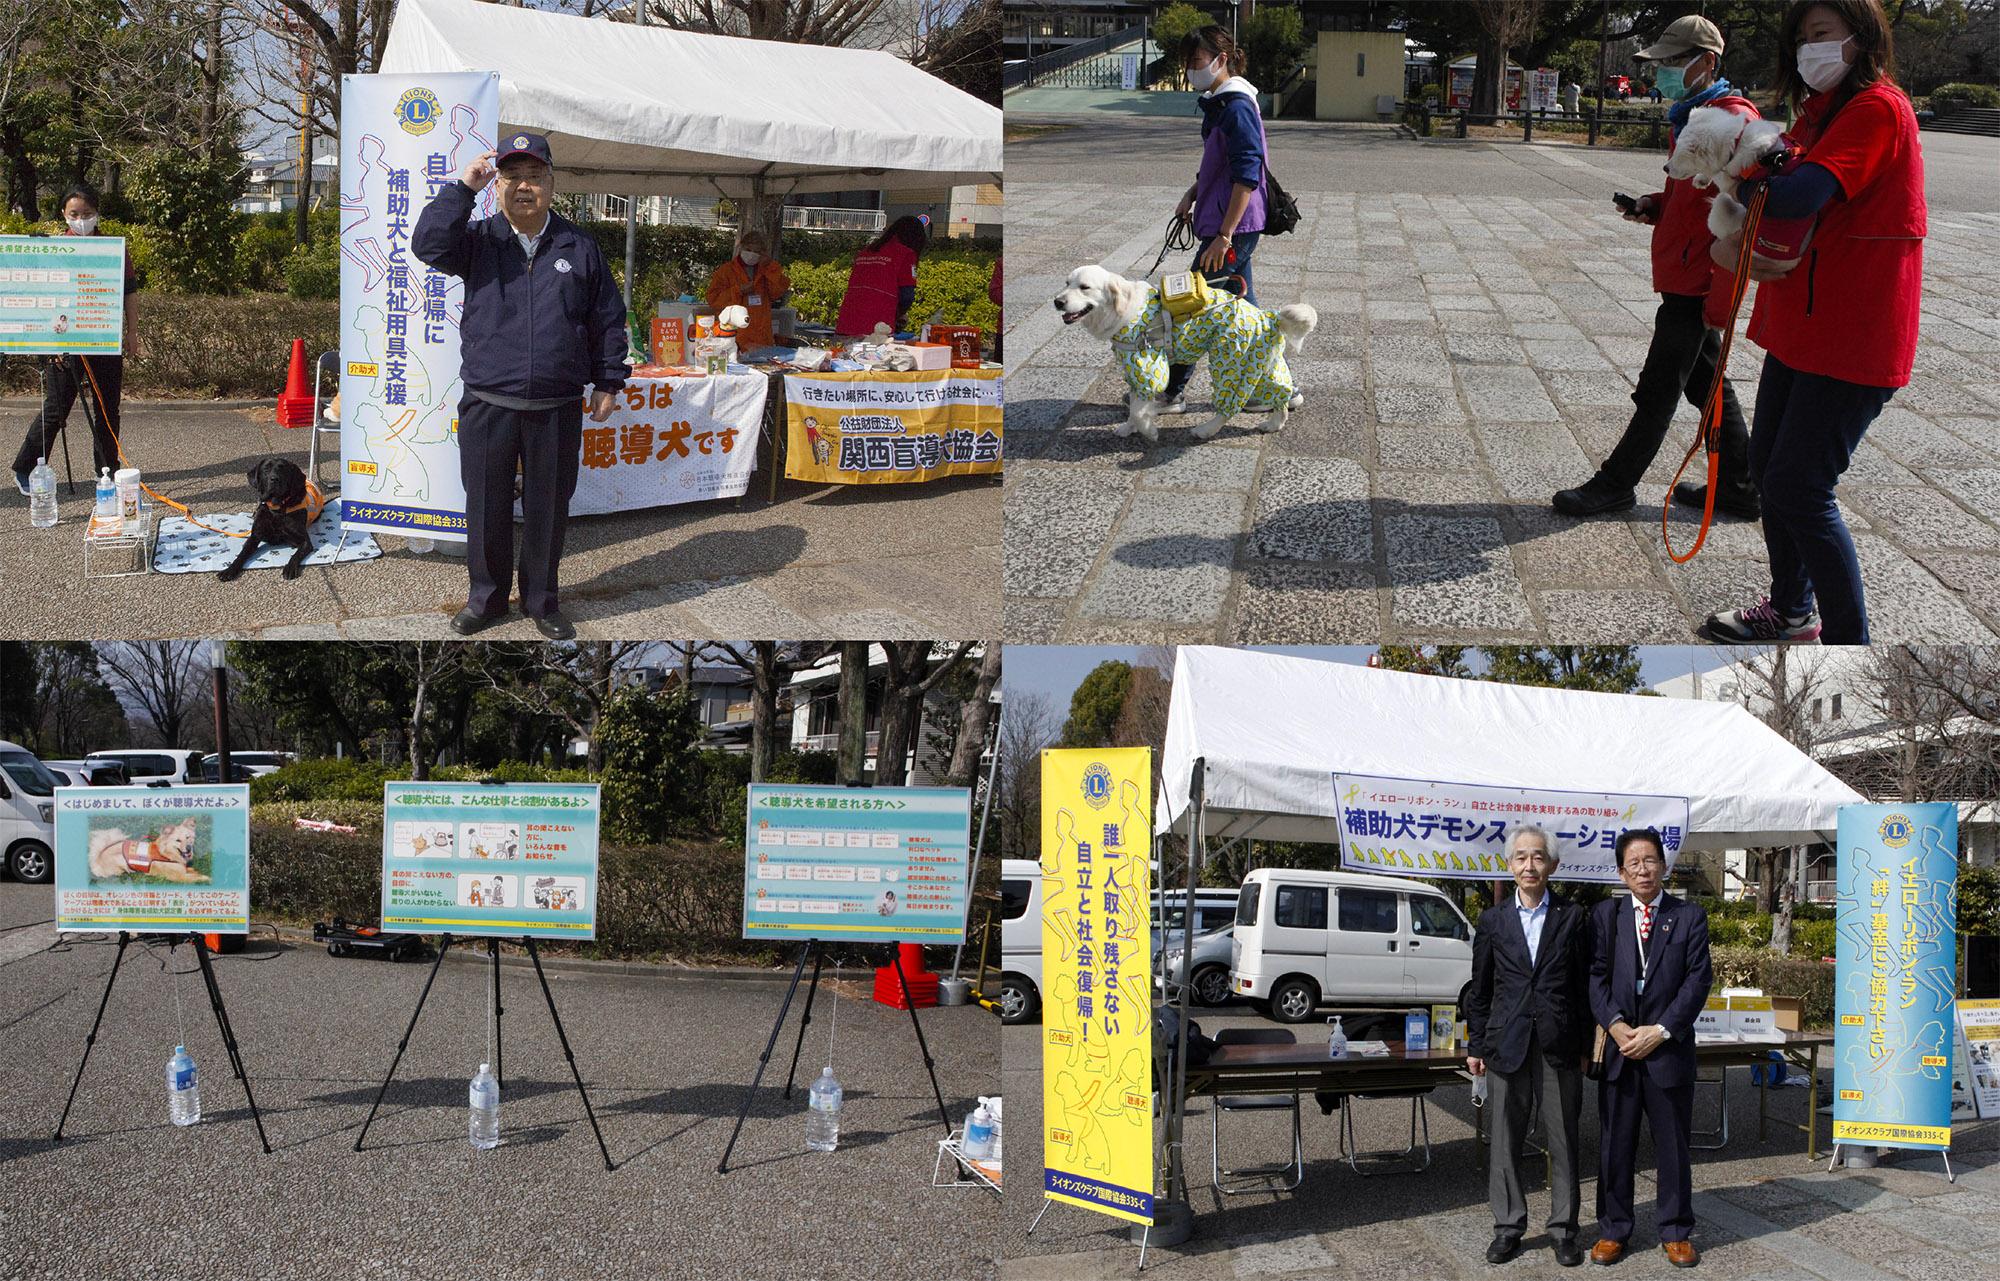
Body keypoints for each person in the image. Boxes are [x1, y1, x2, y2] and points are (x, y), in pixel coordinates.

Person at [1698, 0, 1925, 645]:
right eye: (1801, 39)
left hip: (1854, 333)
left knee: (1801, 487)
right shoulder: (1820, 113)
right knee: (1771, 471)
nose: (1809, 50)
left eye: (1821, 34)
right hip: (1804, 323)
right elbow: (1773, 179)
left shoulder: (1877, 109)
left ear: (1862, 37)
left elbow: (1797, 194)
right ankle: (1791, 609)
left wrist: (1742, 185)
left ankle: (1850, 648)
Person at [412, 132, 626, 640]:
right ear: (498, 184)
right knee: (485, 507)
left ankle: (541, 601)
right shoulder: (478, 240)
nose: (524, 186)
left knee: (548, 509)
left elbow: (607, 318)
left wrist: (608, 380)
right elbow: (427, 244)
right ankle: (485, 600)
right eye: (512, 177)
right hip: (489, 401)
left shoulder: (579, 246)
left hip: (556, 403)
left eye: (534, 176)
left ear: (551, 183)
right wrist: (463, 189)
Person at [1553, 16, 1761, 522]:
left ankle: (1615, 484)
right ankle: (1739, 487)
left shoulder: (1731, 122)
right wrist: (1655, 204)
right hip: (1685, 270)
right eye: (1661, 62)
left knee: (1659, 388)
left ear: (1707, 61)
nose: (1661, 71)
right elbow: (1694, 200)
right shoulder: (1695, 116)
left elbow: (1740, 216)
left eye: (1672, 61)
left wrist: (1719, 297)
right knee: (1706, 386)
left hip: (1699, 280)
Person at [1464, 826, 1591, 1269]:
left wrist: (1585, 1044)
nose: (1529, 865)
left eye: (1538, 857)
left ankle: (1564, 1229)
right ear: (1510, 865)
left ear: (1552, 865)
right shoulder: (1492, 921)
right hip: (1506, 1044)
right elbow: (1480, 990)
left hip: (1560, 1044)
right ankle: (1508, 1227)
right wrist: (1476, 1044)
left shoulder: (1573, 917)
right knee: (1504, 1140)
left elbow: (1582, 987)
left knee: (1565, 1139)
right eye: (1521, 857)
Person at [1588, 828, 1713, 1269]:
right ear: (1622, 873)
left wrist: (1661, 1030)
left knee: (1673, 1146)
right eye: (1634, 864)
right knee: (1614, 1145)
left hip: (1667, 1050)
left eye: (1650, 861)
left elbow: (1698, 980)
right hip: (1621, 1051)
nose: (1643, 870)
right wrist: (1617, 1026)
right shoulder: (1606, 916)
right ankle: (1613, 1229)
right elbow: (1595, 977)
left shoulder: (1688, 916)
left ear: (1663, 865)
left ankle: (1676, 1230)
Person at [1156, 24, 1280, 416]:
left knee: (1191, 306)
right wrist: (1193, 193)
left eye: (1196, 61)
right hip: (1231, 223)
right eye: (1187, 62)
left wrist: (1224, 236)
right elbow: (1220, 164)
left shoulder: (1236, 106)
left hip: (1233, 227)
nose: (1191, 70)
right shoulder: (1220, 102)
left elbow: (1247, 173)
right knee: (1248, 312)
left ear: (1221, 59)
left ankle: (1170, 392)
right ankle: (1277, 389)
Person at [12, 183, 139, 496]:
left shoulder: (113, 248)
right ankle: (25, 467)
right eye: (74, 214)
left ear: (97, 213)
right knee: (56, 409)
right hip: (64, 342)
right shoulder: (54, 249)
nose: (81, 219)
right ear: (64, 214)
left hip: (104, 338)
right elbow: (40, 295)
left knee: (108, 410)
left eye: (87, 213)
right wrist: (48, 343)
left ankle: (106, 470)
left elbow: (129, 292)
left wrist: (132, 332)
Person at [835, 214, 928, 336]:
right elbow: (907, 296)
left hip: (848, 319)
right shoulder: (906, 254)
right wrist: (898, 315)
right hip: (877, 324)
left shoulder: (866, 251)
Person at [704, 228, 789, 348]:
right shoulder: (726, 271)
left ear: (762, 253)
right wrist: (739, 290)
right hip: (734, 337)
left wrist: (770, 266)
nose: (752, 254)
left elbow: (778, 291)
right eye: (748, 250)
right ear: (741, 248)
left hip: (762, 337)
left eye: (756, 251)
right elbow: (714, 300)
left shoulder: (766, 270)